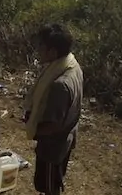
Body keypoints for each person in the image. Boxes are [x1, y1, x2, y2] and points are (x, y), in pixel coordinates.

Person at [23, 24, 83, 195]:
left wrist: (33, 128)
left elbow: (53, 125)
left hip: (52, 146)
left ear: (53, 51)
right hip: (66, 138)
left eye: (41, 46)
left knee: (48, 185)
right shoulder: (71, 64)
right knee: (53, 179)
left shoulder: (60, 84)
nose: (38, 50)